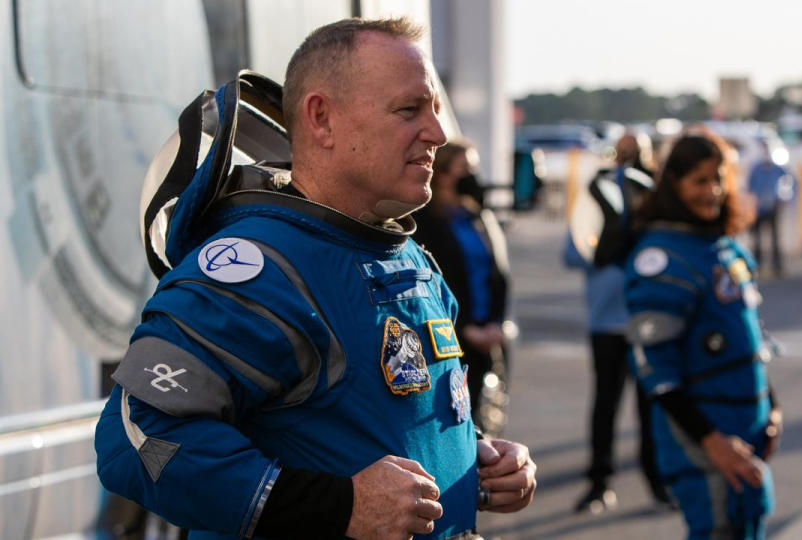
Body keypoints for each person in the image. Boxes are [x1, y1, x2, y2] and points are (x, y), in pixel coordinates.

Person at [94, 17, 535, 540]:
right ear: (322, 119)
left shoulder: (409, 256)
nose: (438, 133)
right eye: (409, 109)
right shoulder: (254, 270)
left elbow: (374, 417)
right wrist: (339, 506)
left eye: (436, 109)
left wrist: (474, 457)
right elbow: (137, 439)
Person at [623, 130, 782, 539]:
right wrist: (711, 441)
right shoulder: (660, 257)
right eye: (699, 180)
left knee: (747, 522)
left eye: (718, 178)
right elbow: (656, 371)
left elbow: (750, 338)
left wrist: (772, 407)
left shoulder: (725, 247)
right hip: (704, 438)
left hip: (746, 429)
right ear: (674, 184)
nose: (711, 190)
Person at [563, 133, 670, 513]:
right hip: (607, 320)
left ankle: (658, 482)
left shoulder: (656, 197)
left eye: (636, 153)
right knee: (606, 404)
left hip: (648, 320)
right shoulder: (596, 193)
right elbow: (572, 252)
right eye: (624, 152)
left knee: (652, 405)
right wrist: (606, 250)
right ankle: (599, 483)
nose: (629, 160)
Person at [413, 140, 511, 435]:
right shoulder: (424, 220)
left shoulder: (477, 216)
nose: (472, 177)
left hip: (488, 332)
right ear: (441, 174)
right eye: (464, 170)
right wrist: (465, 328)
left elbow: (498, 273)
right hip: (452, 336)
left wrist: (495, 323)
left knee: (487, 417)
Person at [746, 143, 793, 278]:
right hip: (759, 208)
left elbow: (788, 183)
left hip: (773, 206)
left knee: (775, 238)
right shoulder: (755, 169)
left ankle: (777, 266)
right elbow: (750, 187)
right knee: (757, 239)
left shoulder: (778, 169)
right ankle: (757, 266)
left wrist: (784, 198)